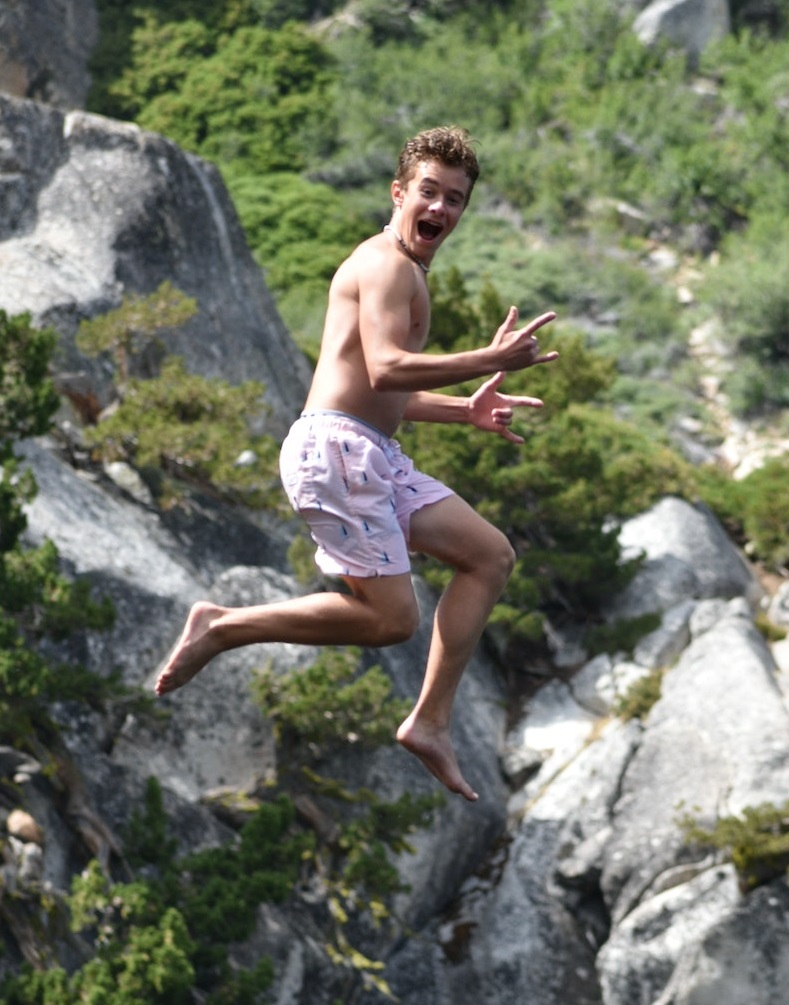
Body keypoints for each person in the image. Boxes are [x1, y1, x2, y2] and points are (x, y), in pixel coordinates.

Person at [153, 126, 557, 802]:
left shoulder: (405, 271)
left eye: (454, 200)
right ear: (399, 193)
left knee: (488, 555)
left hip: (369, 451)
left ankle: (430, 720)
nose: (440, 208)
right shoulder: (385, 265)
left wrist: (466, 411)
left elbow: (381, 390)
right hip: (336, 450)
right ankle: (222, 626)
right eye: (428, 192)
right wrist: (489, 359)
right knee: (392, 619)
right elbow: (387, 365)